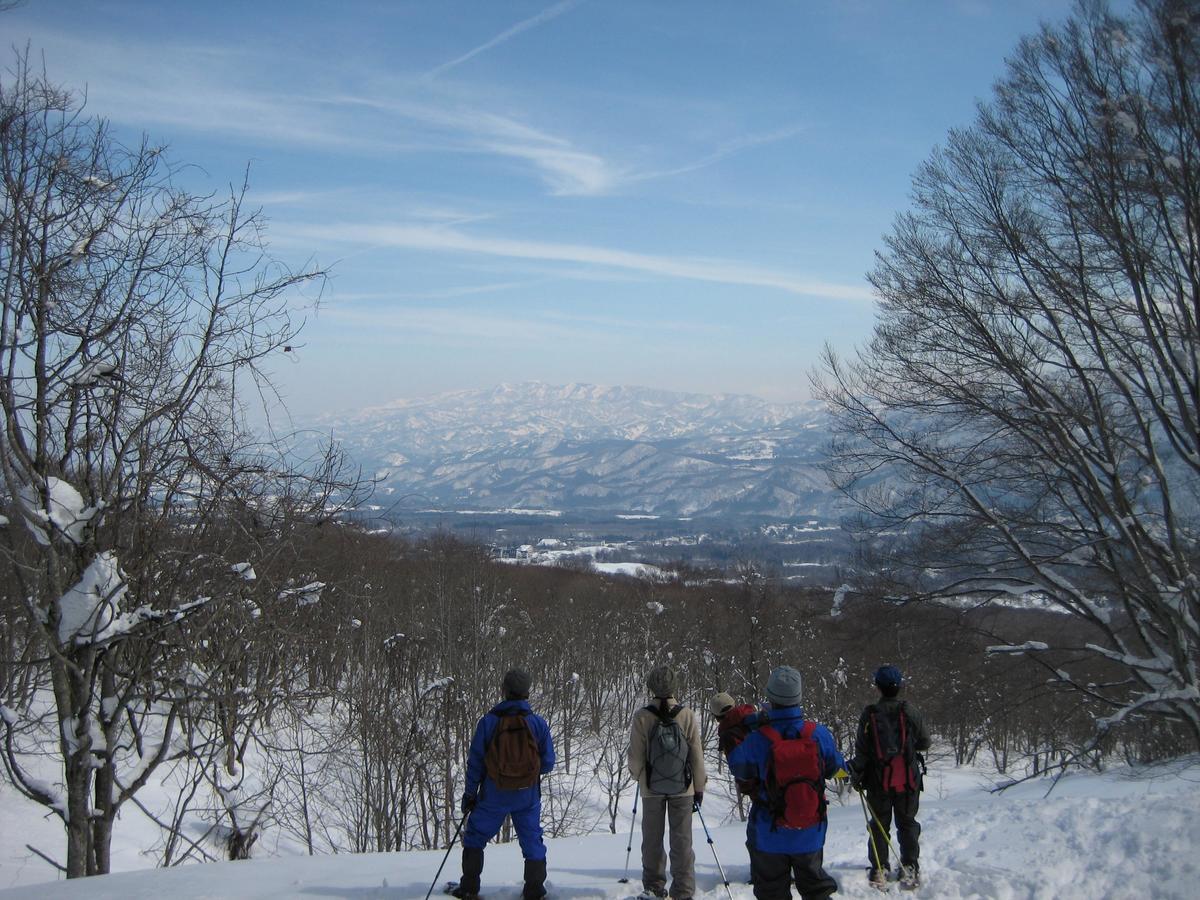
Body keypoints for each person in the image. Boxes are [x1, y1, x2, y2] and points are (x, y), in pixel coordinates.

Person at [728, 666, 844, 900]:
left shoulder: (759, 738)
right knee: (815, 889)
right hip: (810, 829)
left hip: (768, 832)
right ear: (798, 697)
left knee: (771, 892)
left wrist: (745, 728)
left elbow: (738, 766)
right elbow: (835, 769)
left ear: (771, 698)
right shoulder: (818, 734)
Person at [452, 668, 556, 900]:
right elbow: (548, 763)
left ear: (505, 691)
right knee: (532, 840)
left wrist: (470, 794)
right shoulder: (537, 724)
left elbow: (476, 763)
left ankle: (469, 887)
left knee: (475, 836)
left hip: (493, 794)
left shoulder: (488, 722)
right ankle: (534, 890)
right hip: (527, 796)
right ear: (527, 692)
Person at [628, 665, 707, 900]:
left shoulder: (642, 716)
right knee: (682, 840)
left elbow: (635, 757)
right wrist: (699, 787)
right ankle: (683, 890)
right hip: (683, 788)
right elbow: (696, 755)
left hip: (651, 788)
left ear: (651, 686)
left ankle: (653, 887)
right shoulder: (686, 715)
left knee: (652, 839)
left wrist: (639, 776)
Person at [849, 665, 930, 891]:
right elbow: (925, 742)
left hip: (878, 780)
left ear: (878, 687)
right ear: (899, 686)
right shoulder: (910, 711)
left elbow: (862, 750)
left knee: (879, 824)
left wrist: (858, 773)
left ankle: (879, 868)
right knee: (907, 823)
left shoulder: (870, 714)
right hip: (907, 779)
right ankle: (910, 866)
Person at [710, 691, 761, 795]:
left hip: (761, 790)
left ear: (716, 717)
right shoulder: (754, 717)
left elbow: (742, 772)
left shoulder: (728, 736)